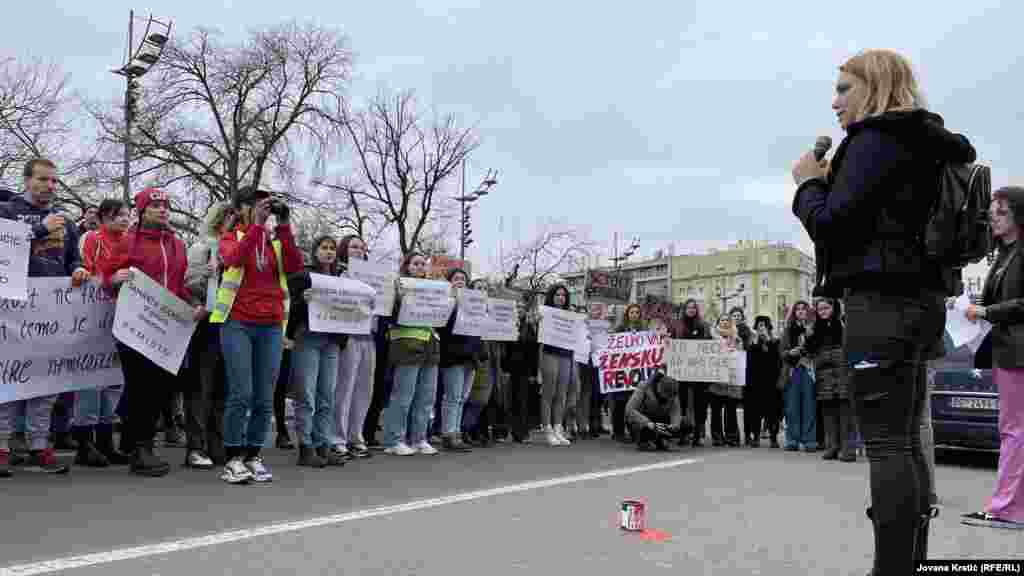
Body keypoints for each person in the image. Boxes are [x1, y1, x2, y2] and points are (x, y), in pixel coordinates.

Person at [791, 49, 977, 573]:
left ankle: (892, 567)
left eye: (844, 89)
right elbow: (880, 216)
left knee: (888, 445)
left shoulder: (874, 140)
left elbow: (834, 224)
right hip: (920, 305)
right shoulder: (924, 141)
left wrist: (807, 184)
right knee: (908, 443)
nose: (835, 102)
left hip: (880, 306)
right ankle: (910, 562)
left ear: (873, 88)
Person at [106, 188, 205, 477]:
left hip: (166, 329)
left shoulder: (176, 244)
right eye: (156, 206)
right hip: (134, 326)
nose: (162, 210)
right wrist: (114, 278)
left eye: (165, 206)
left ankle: (133, 441)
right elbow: (107, 277)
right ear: (142, 211)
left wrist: (194, 303)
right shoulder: (129, 241)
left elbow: (180, 285)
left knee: (160, 388)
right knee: (140, 388)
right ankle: (141, 448)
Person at [0, 158, 90, 477]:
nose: (49, 186)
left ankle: (40, 445)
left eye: (53, 181)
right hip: (11, 310)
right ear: (27, 180)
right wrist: (39, 229)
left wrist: (78, 270)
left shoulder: (64, 221)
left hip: (51, 312)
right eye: (43, 180)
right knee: (9, 376)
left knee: (45, 379)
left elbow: (72, 260)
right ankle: (3, 446)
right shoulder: (7, 211)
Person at [210, 186, 304, 484]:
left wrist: (284, 225)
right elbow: (235, 258)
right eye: (256, 204)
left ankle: (253, 455)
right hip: (237, 322)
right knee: (242, 393)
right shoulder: (230, 237)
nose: (264, 209)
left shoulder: (275, 241)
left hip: (271, 324)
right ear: (242, 209)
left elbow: (294, 267)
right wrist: (255, 227)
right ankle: (233, 458)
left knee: (265, 397)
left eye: (267, 205)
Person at [961, 186, 1024, 530]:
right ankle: (1011, 507)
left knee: (1014, 431)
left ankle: (1006, 509)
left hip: (1018, 352)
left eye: (1001, 211)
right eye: (992, 212)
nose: (993, 218)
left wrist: (987, 310)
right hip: (1006, 349)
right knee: (1015, 431)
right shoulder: (1003, 255)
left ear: (1019, 215)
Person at [71, 199, 134, 468]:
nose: (123, 219)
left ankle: (106, 441)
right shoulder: (92, 238)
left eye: (126, 215)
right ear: (105, 216)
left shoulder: (130, 241)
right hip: (94, 313)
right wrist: (110, 280)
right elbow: (87, 270)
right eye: (118, 215)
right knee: (90, 380)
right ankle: (85, 442)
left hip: (122, 315)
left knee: (114, 380)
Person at [183, 201, 236, 468]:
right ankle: (196, 445)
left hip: (232, 322)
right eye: (227, 217)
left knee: (223, 388)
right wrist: (206, 278)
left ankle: (217, 443)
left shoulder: (239, 248)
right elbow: (189, 282)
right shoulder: (203, 248)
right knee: (201, 386)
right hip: (207, 322)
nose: (231, 222)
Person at [287, 236, 347, 468]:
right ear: (315, 252)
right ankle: (306, 446)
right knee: (307, 395)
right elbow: (289, 307)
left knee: (327, 396)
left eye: (332, 248)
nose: (329, 252)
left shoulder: (342, 280)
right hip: (308, 337)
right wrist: (302, 300)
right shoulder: (303, 276)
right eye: (324, 248)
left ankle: (323, 444)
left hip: (331, 341)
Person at [382, 252, 442, 456]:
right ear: (406, 266)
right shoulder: (398, 286)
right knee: (403, 395)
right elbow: (389, 313)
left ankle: (419, 438)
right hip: (407, 344)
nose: (420, 267)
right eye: (415, 263)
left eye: (423, 264)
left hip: (430, 345)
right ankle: (394, 439)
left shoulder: (434, 289)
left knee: (426, 397)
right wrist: (398, 296)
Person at [331, 234, 378, 460]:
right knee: (344, 388)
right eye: (353, 247)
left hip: (369, 335)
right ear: (344, 250)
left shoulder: (375, 276)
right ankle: (337, 438)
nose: (358, 251)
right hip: (348, 335)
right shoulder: (339, 274)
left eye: (361, 247)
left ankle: (355, 436)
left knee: (363, 390)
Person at [806, 298, 854, 462]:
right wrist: (809, 338)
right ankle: (832, 446)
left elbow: (849, 345)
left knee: (844, 408)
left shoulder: (842, 323)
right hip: (824, 373)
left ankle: (847, 448)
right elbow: (810, 349)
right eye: (820, 309)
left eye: (826, 308)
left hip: (842, 371)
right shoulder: (815, 328)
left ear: (833, 308)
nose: (823, 312)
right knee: (828, 410)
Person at [436, 268, 479, 452]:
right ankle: (448, 434)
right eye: (456, 278)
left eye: (463, 278)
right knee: (452, 397)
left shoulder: (474, 304)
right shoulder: (445, 302)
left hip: (470, 356)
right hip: (452, 355)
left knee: (462, 397)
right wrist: (453, 301)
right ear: (449, 282)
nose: (460, 281)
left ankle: (457, 432)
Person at [537, 284, 576, 447]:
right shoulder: (544, 313)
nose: (561, 298)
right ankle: (547, 429)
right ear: (551, 296)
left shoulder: (570, 315)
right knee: (549, 393)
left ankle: (558, 428)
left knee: (562, 393)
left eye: (563, 295)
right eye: (558, 295)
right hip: (549, 353)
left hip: (566, 355)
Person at [780, 301, 816, 452]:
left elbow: (819, 348)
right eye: (797, 310)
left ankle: (809, 440)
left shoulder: (814, 328)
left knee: (809, 406)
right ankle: (792, 439)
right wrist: (790, 353)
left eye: (803, 309)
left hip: (809, 369)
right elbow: (782, 352)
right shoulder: (788, 330)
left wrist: (811, 337)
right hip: (793, 370)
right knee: (792, 406)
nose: (800, 312)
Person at [746, 316, 783, 448]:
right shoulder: (752, 342)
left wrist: (768, 340)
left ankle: (773, 437)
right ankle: (755, 436)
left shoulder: (775, 341)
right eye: (759, 326)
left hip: (771, 382)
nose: (761, 328)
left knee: (773, 411)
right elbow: (749, 360)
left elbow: (777, 359)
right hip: (756, 382)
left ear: (768, 327)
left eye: (764, 326)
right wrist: (756, 342)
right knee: (755, 411)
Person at [626, 372, 683, 451]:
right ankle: (644, 442)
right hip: (643, 420)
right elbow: (630, 410)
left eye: (671, 396)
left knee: (686, 424)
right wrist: (647, 423)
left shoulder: (673, 392)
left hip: (660, 420)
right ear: (659, 387)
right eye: (667, 395)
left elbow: (676, 410)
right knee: (646, 429)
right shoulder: (644, 387)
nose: (669, 398)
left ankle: (661, 440)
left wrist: (675, 424)